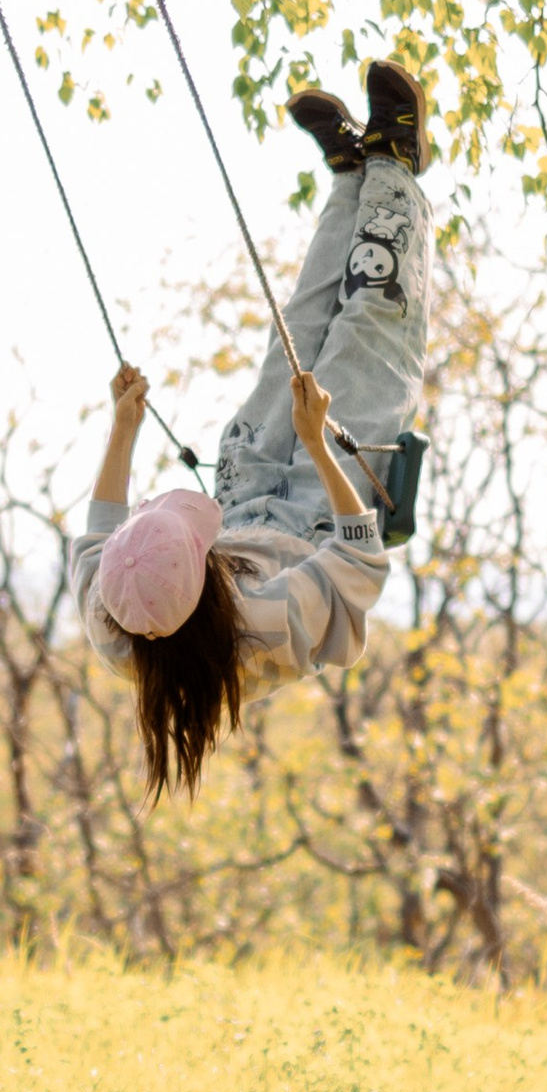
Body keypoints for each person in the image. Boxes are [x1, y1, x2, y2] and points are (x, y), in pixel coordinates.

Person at [68, 60, 432, 796]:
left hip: (243, 502)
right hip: (319, 520)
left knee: (295, 332)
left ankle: (351, 178)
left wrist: (123, 428)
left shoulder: (113, 613)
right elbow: (360, 564)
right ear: (204, 579)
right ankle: (397, 164)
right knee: (368, 329)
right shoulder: (269, 625)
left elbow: (99, 532)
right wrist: (318, 444)